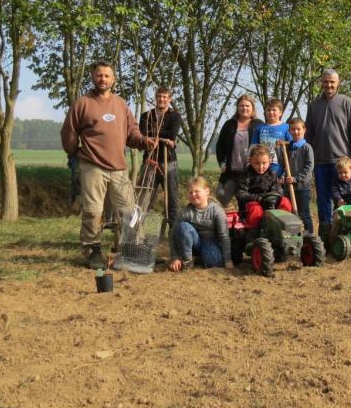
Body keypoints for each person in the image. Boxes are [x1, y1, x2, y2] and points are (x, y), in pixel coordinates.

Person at [60, 60, 157, 268]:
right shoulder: (82, 103)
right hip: (92, 166)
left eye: (106, 75)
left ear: (113, 79)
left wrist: (143, 141)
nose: (102, 79)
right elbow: (69, 133)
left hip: (119, 167)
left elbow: (131, 133)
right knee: (93, 211)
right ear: (93, 78)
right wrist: (74, 152)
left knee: (130, 211)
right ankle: (92, 251)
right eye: (99, 75)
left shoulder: (121, 104)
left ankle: (134, 249)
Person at [304, 68, 351, 243]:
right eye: (326, 81)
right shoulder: (313, 105)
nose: (329, 85)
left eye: (332, 82)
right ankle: (325, 232)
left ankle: (347, 230)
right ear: (321, 82)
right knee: (323, 197)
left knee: (344, 198)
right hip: (320, 161)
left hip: (342, 162)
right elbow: (309, 134)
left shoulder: (346, 103)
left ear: (338, 83)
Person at [137, 86, 182, 229]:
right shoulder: (146, 115)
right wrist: (160, 138)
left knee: (172, 198)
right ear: (155, 98)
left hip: (168, 162)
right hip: (150, 160)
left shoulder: (175, 116)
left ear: (169, 99)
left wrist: (156, 136)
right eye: (159, 96)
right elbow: (143, 134)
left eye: (165, 97)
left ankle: (174, 230)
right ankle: (136, 229)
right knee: (144, 196)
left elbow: (172, 135)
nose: (161, 99)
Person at [168, 177, 234, 272]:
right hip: (191, 243)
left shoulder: (216, 210)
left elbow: (224, 236)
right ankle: (188, 261)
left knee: (214, 263)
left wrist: (228, 260)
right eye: (190, 192)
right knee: (183, 227)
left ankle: (199, 258)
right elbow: (172, 234)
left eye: (196, 191)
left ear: (207, 191)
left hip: (210, 241)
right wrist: (175, 257)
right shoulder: (185, 211)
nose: (193, 194)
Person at [215, 95, 265, 207]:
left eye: (247, 105)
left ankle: (244, 223)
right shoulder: (229, 124)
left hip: (250, 172)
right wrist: (221, 163)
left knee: (247, 204)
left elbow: (263, 148)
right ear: (237, 108)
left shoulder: (259, 124)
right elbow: (220, 146)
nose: (244, 108)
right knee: (220, 195)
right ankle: (221, 220)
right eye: (241, 105)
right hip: (231, 171)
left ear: (252, 108)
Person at [236, 144, 293, 233]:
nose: (261, 166)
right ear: (250, 161)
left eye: (264, 163)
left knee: (285, 201)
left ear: (270, 161)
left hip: (271, 203)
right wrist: (257, 198)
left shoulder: (272, 174)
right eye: (257, 163)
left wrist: (275, 195)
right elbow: (241, 194)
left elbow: (279, 190)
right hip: (252, 206)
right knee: (256, 209)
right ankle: (253, 234)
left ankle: (285, 228)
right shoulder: (245, 175)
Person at [277, 117, 314, 233]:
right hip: (288, 188)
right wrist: (279, 149)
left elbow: (309, 167)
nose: (296, 132)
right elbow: (283, 164)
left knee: (303, 213)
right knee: (289, 213)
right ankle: (292, 234)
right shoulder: (287, 147)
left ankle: (309, 235)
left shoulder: (306, 148)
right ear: (289, 131)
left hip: (302, 187)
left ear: (304, 130)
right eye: (293, 130)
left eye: (298, 129)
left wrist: (296, 179)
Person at [251, 98, 291, 176]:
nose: (271, 112)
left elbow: (292, 145)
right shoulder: (259, 128)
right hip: (262, 169)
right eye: (268, 110)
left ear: (280, 113)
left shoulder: (286, 127)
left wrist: (285, 142)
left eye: (274, 110)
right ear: (265, 112)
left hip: (280, 169)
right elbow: (253, 147)